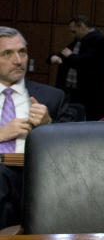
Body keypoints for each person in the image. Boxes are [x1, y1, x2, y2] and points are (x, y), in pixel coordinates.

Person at [0, 27, 66, 228]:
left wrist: (48, 126)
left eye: (23, 52)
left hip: (36, 176)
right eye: (7, 54)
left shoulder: (51, 97)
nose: (18, 60)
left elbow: (74, 145)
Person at [48, 15, 104, 120]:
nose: (74, 34)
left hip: (91, 91)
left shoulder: (99, 40)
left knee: (89, 118)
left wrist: (70, 56)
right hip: (74, 89)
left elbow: (89, 62)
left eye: (74, 31)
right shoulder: (79, 41)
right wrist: (53, 57)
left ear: (82, 26)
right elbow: (65, 53)